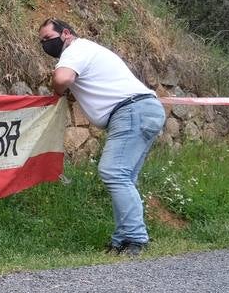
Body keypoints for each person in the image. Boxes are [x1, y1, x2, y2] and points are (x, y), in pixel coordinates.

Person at [39, 18, 165, 256]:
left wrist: (57, 90)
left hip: (131, 111)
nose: (45, 45)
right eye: (42, 42)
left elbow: (63, 79)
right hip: (144, 110)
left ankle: (136, 239)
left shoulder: (75, 50)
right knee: (123, 177)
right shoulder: (89, 49)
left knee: (113, 172)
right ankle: (122, 241)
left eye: (48, 39)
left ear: (66, 33)